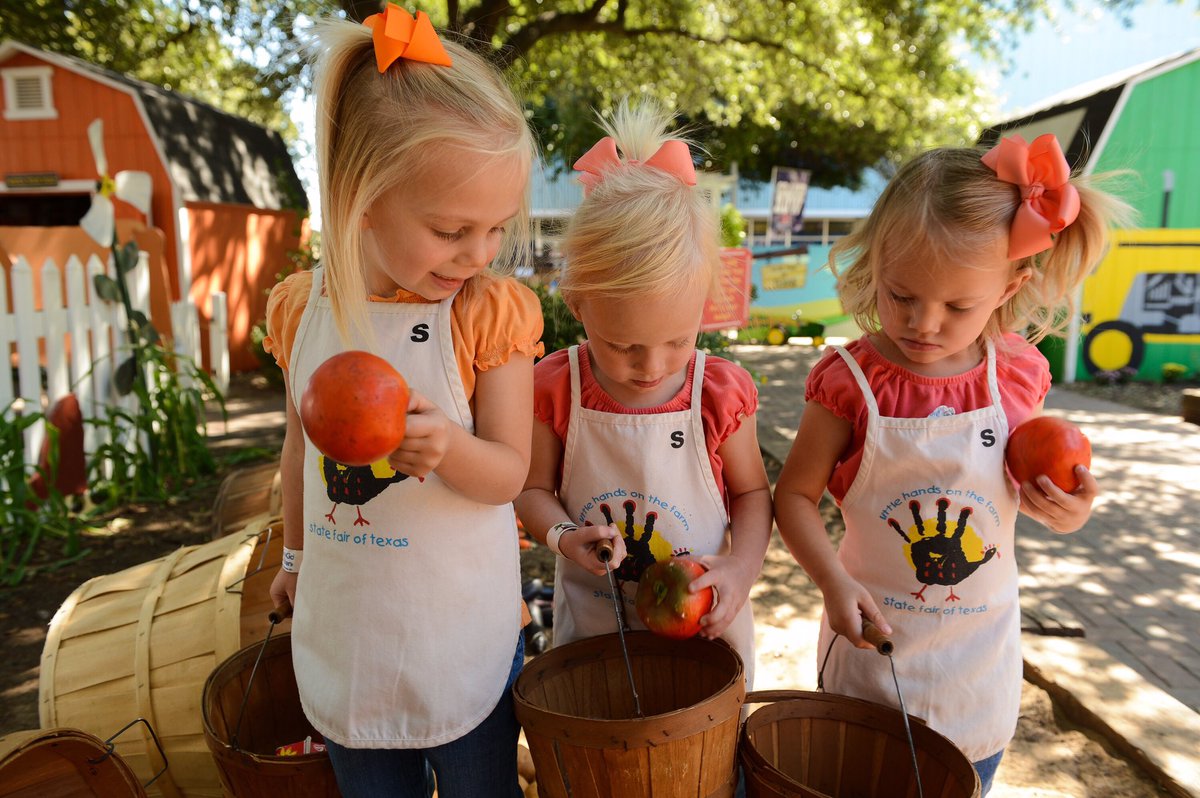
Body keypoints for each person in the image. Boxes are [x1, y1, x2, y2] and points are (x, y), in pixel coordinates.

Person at [773, 133, 1133, 795]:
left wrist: (1072, 508)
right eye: (900, 294)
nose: (924, 323)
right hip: (869, 666)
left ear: (1008, 288)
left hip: (977, 677)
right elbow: (793, 496)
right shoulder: (852, 381)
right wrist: (830, 580)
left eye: (957, 306)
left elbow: (1038, 481)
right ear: (875, 263)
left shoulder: (1018, 377)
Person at [263, 7, 542, 796]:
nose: (478, 253)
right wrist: (293, 555)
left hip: (460, 636)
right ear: (362, 196)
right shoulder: (302, 309)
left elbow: (510, 473)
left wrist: (450, 448)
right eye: (452, 228)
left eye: (494, 229)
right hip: (346, 630)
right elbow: (299, 455)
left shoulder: (486, 316)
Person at [514, 101, 773, 689]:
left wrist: (741, 567)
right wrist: (561, 536)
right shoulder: (558, 387)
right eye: (622, 345)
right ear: (577, 305)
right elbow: (531, 489)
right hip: (595, 636)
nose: (649, 367)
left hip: (704, 633)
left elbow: (753, 492)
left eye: (677, 341)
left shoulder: (719, 394)